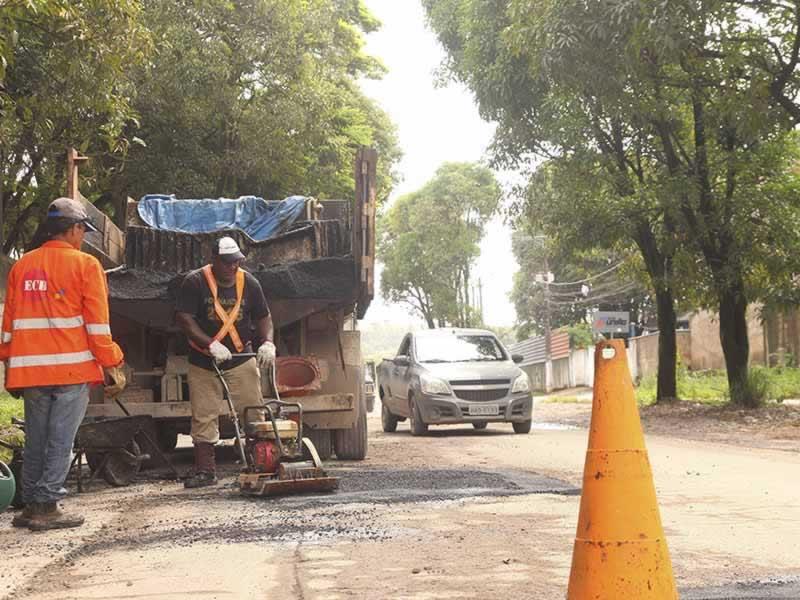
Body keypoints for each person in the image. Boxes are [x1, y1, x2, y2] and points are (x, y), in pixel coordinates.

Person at [0, 197, 126, 531]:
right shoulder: (85, 266)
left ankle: (30, 505)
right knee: (61, 440)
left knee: (38, 438)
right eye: (82, 229)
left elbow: (9, 326)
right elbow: (98, 327)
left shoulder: (22, 266)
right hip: (71, 370)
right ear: (72, 229)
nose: (83, 236)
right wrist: (113, 361)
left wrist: (10, 368)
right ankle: (47, 506)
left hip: (30, 371)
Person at [175, 236, 275, 488]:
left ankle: (261, 463)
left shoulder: (249, 283)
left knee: (253, 410)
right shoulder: (195, 282)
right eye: (228, 262)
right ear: (214, 260)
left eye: (237, 262)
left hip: (241, 358)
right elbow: (185, 319)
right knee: (204, 415)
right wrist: (210, 345)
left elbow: (264, 317)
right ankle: (206, 471)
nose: (233, 267)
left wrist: (267, 342)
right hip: (203, 360)